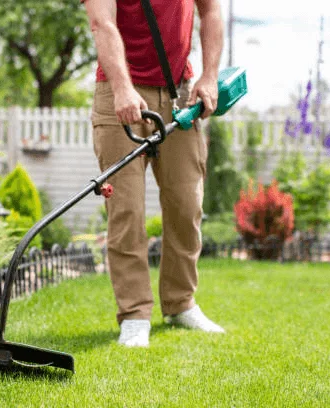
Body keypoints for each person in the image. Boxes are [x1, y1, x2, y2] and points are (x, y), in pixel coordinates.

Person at [82, 0, 225, 347]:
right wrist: (121, 86)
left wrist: (209, 76)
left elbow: (211, 11)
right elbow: (103, 23)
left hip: (180, 93)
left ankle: (180, 304)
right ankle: (134, 315)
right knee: (127, 210)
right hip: (121, 93)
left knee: (186, 204)